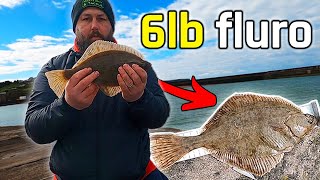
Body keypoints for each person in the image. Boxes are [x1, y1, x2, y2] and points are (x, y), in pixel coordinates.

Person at [25, 0, 170, 179]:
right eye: (86, 18)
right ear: (75, 26)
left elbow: (159, 116)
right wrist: (67, 105)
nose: (94, 25)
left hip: (138, 175)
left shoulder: (134, 64)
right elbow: (35, 129)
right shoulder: (54, 68)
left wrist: (139, 98)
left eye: (102, 18)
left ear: (111, 26)